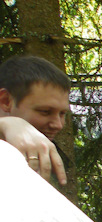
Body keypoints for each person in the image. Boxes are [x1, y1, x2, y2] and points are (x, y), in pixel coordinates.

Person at [0, 55, 70, 185]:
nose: (58, 125)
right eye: (45, 111)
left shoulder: (52, 157)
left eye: (62, 113)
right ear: (6, 101)